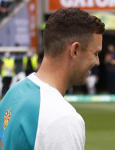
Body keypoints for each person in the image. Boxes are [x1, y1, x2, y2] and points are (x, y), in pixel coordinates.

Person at [0, 8, 105, 150]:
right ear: (75, 50)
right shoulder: (63, 119)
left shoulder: (14, 92)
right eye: (96, 53)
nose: (97, 62)